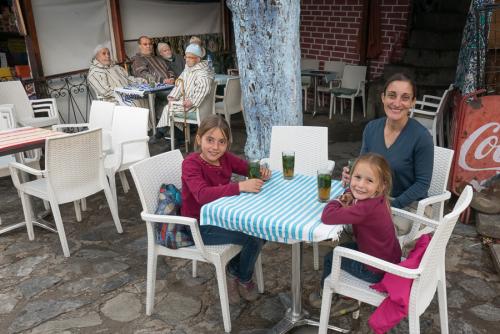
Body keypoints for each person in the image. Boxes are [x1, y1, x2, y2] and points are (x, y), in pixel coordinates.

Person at [181, 114, 271, 304]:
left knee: (263, 229)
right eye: (210, 140)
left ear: (227, 144)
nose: (215, 147)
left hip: (222, 219)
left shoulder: (225, 159)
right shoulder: (191, 164)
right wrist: (240, 187)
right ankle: (242, 277)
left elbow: (248, 169)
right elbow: (202, 194)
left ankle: (234, 270)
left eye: (221, 142)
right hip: (199, 226)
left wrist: (261, 172)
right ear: (199, 139)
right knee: (253, 237)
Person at [342, 73, 434, 235]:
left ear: (413, 103)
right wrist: (352, 175)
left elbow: (422, 184)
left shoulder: (422, 137)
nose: (397, 103)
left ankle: (365, 258)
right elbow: (363, 165)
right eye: (392, 95)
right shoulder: (371, 128)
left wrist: (391, 206)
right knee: (340, 220)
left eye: (405, 98)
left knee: (373, 230)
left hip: (408, 205)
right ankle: (350, 257)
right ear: (383, 98)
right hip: (372, 198)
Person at [309, 153, 402, 312]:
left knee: (331, 257)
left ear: (381, 185)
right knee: (344, 246)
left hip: (374, 270)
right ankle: (342, 295)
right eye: (357, 177)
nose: (360, 185)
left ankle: (334, 297)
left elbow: (328, 216)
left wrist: (339, 199)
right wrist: (350, 193)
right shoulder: (377, 199)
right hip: (387, 260)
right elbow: (355, 191)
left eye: (369, 180)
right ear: (350, 176)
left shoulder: (365, 209)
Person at [157, 43, 214, 129]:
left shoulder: (202, 72)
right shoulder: (188, 69)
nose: (187, 60)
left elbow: (204, 88)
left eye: (190, 57)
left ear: (198, 59)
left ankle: (160, 133)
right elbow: (179, 84)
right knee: (169, 106)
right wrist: (173, 96)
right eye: (186, 57)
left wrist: (192, 101)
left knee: (168, 109)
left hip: (196, 106)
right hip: (186, 101)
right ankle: (178, 137)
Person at [87, 43, 147, 108]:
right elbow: (104, 91)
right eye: (104, 54)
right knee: (136, 103)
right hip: (112, 102)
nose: (107, 56)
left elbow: (128, 80)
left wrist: (142, 81)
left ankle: (149, 118)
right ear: (97, 57)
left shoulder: (116, 67)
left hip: (126, 96)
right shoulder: (95, 72)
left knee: (146, 98)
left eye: (108, 53)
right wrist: (125, 92)